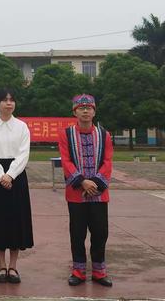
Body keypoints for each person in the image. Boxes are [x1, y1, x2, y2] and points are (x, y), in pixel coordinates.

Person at [58, 94, 113, 287]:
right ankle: (78, 270)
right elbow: (66, 161)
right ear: (74, 112)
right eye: (81, 108)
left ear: (94, 111)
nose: (85, 111)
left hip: (99, 194)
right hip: (76, 194)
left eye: (89, 108)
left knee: (100, 232)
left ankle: (99, 271)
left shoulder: (104, 135)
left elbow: (107, 161)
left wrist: (95, 183)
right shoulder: (65, 134)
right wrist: (82, 182)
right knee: (77, 233)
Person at [0, 88, 33, 284]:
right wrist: (0, 175)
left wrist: (10, 175)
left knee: (16, 221)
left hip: (17, 177)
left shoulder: (22, 126)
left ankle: (13, 267)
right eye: (4, 100)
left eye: (12, 100)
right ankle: (1, 266)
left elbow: (23, 153)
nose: (8, 103)